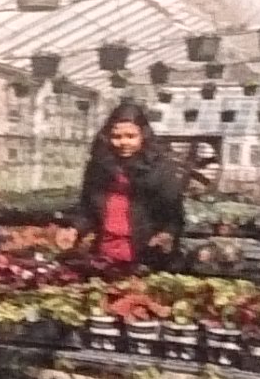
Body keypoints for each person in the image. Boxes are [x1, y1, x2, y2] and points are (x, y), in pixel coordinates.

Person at [72, 97, 189, 270]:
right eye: (116, 136)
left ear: (143, 136)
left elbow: (174, 216)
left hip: (146, 255)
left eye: (131, 136)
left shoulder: (161, 168)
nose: (123, 142)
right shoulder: (97, 167)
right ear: (107, 137)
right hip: (104, 255)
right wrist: (75, 229)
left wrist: (167, 234)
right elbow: (86, 210)